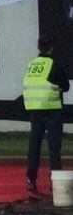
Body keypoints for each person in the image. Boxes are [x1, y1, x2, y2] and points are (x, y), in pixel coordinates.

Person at [24, 34, 69, 195]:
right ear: (51, 47)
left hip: (34, 109)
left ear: (38, 47)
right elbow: (65, 86)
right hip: (52, 108)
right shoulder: (53, 64)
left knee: (34, 145)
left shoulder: (31, 64)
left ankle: (31, 180)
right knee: (54, 147)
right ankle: (55, 181)